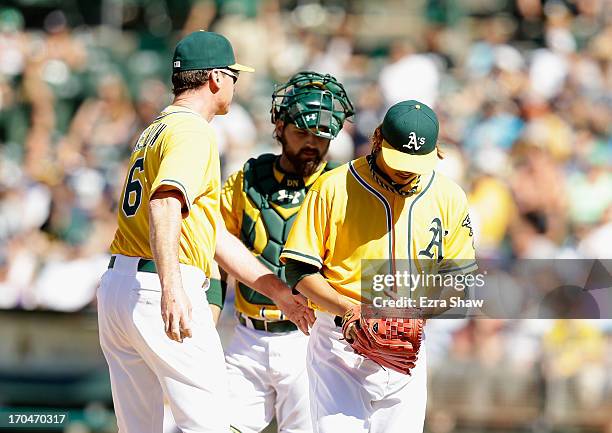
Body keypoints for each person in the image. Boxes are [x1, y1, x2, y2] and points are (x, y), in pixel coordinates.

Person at [97, 31, 314, 433]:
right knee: (213, 426)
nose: (235, 83)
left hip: (119, 288)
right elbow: (165, 203)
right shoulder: (193, 130)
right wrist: (172, 286)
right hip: (157, 285)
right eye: (233, 75)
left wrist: (278, 292)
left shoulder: (155, 129)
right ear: (216, 78)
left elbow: (208, 235)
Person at [280, 100, 477, 433]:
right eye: (399, 158)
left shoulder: (449, 196)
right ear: (376, 139)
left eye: (416, 161)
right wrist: (348, 309)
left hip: (407, 343)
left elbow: (459, 280)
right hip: (341, 342)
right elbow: (299, 271)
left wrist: (417, 313)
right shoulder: (333, 187)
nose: (406, 169)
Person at [216, 71, 354, 433]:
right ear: (279, 125)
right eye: (301, 131)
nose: (311, 143)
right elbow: (217, 253)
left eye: (320, 135)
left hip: (311, 338)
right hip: (247, 334)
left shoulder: (343, 187)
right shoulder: (246, 179)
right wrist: (209, 316)